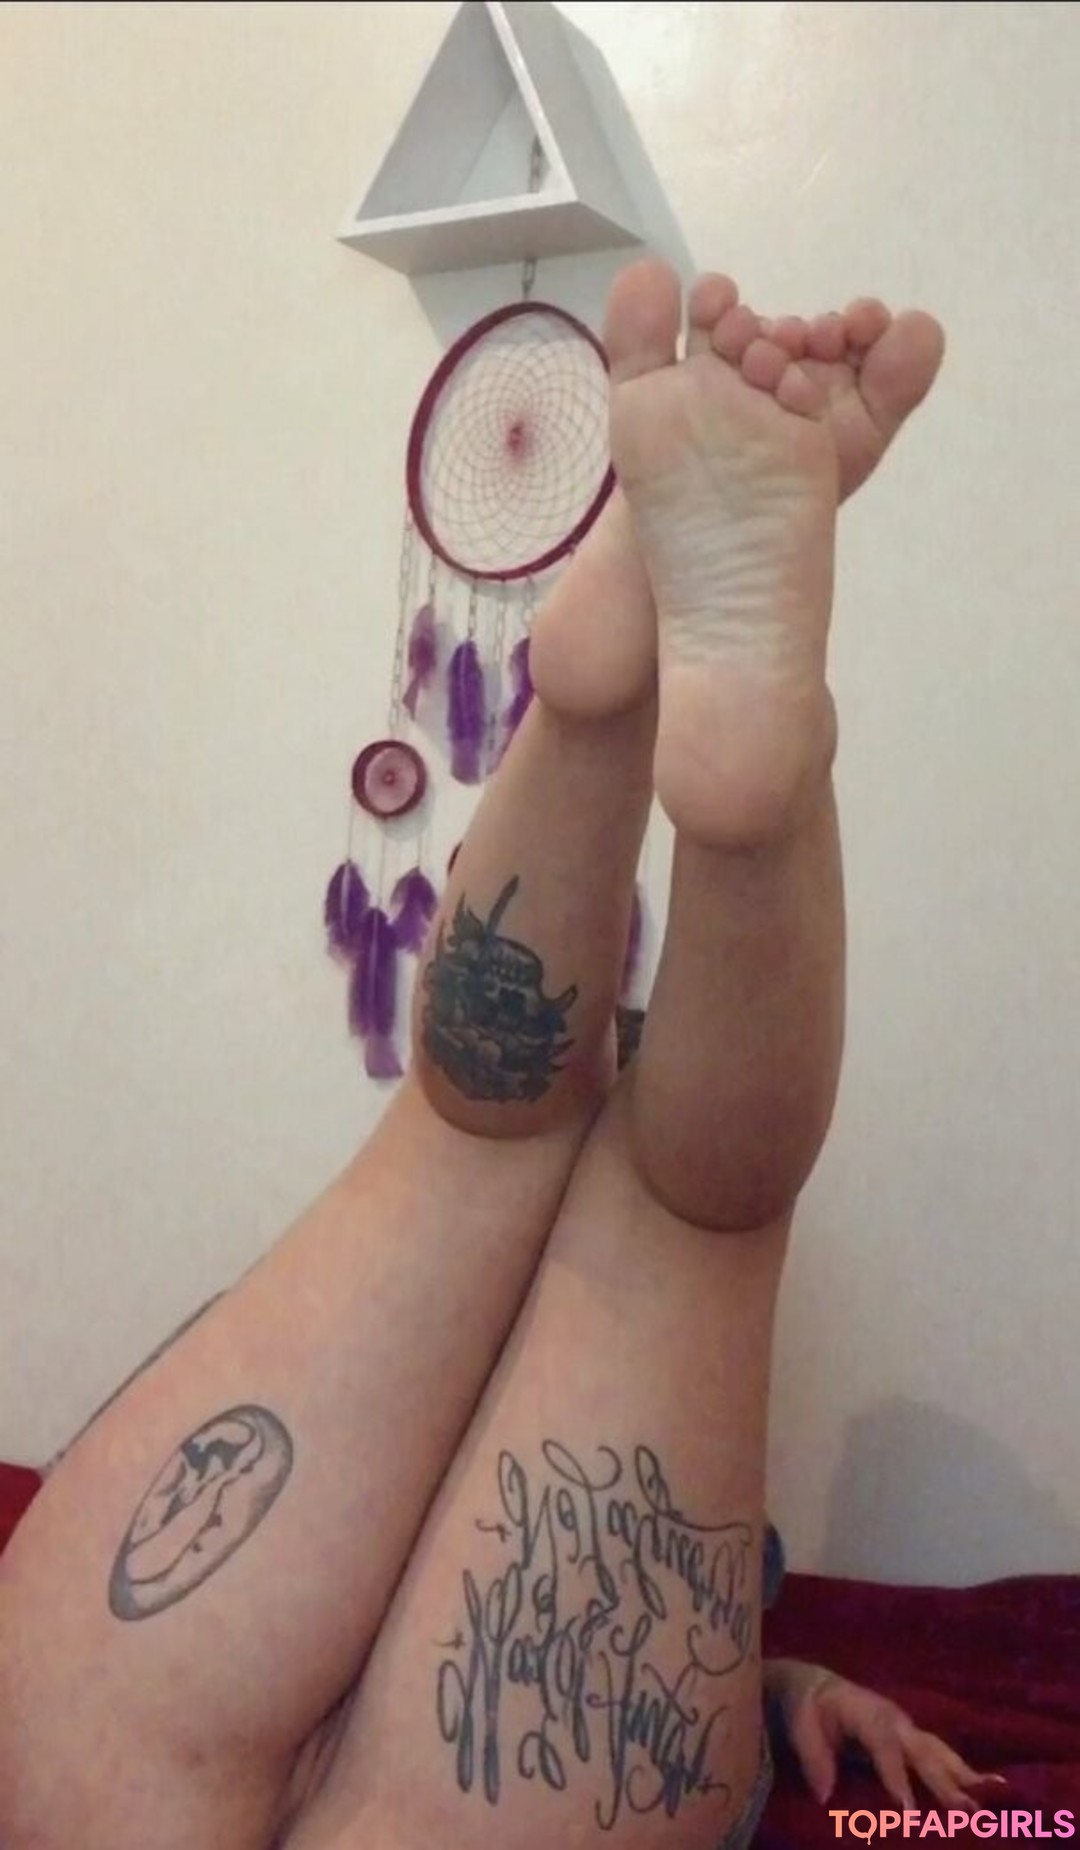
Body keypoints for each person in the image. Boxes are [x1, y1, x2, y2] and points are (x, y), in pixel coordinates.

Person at [0, 260, 998, 1850]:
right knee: (683, 1218)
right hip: (500, 1741)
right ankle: (745, 766)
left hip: (120, 1706)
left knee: (474, 1141)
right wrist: (777, 1676)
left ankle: (589, 714)